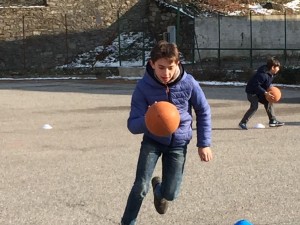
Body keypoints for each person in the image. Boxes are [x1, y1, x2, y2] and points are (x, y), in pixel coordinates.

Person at [120, 40, 213, 225]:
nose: (166, 73)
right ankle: (128, 222)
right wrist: (150, 119)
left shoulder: (189, 83)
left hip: (178, 144)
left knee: (171, 193)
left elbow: (203, 110)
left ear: (177, 63)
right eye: (161, 67)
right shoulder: (143, 87)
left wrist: (204, 144)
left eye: (170, 67)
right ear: (152, 64)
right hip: (152, 141)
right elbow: (132, 124)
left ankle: (159, 190)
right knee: (140, 187)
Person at [239, 57, 284, 130]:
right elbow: (256, 85)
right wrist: (265, 92)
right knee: (254, 107)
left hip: (260, 91)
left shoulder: (271, 74)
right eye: (277, 67)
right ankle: (243, 122)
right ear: (273, 67)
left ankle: (273, 121)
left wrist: (270, 90)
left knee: (268, 101)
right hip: (252, 93)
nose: (278, 69)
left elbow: (265, 84)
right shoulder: (262, 75)